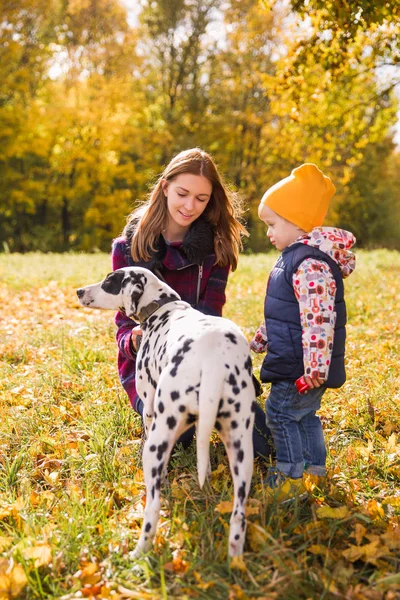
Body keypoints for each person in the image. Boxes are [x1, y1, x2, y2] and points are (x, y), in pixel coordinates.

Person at [112, 147, 273, 457]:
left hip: (205, 362)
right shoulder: (129, 249)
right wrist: (134, 340)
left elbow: (211, 315)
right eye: (182, 194)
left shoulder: (216, 248)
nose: (189, 206)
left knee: (264, 446)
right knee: (178, 441)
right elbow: (122, 328)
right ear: (165, 187)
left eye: (201, 199)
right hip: (153, 369)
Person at [251, 163, 356, 494]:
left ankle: (290, 477)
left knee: (280, 415)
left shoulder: (309, 264)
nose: (268, 232)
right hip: (301, 360)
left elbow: (318, 320)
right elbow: (285, 312)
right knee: (305, 416)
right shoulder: (295, 258)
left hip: (302, 366)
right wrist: (260, 339)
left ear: (296, 223)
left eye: (272, 224)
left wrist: (314, 368)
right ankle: (315, 470)